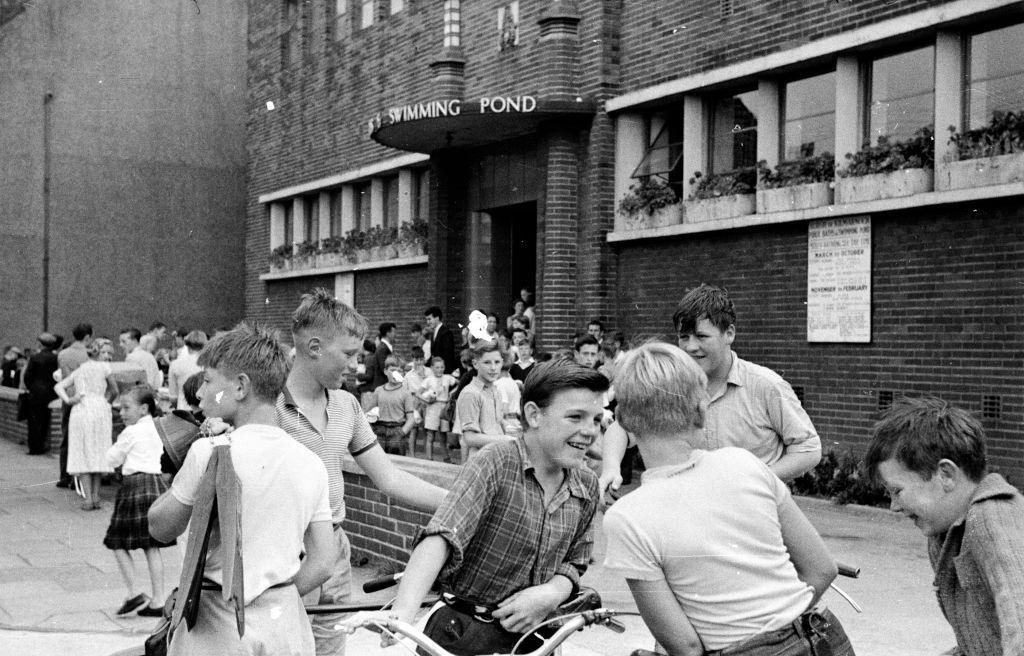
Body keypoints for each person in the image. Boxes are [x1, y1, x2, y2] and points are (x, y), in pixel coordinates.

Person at [603, 342, 852, 656]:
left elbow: (686, 647)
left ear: (623, 419)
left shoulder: (627, 519)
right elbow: (823, 569)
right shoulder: (745, 464)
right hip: (821, 637)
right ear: (700, 410)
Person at [369, 360, 609, 655]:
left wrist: (551, 593)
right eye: (575, 417)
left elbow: (575, 561)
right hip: (463, 631)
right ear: (534, 415)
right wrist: (403, 613)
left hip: (535, 637)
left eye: (596, 420)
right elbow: (442, 536)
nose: (589, 431)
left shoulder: (586, 483)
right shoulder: (496, 462)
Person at [277, 289, 447, 656]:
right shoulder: (266, 406)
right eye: (349, 355)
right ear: (314, 347)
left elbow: (390, 478)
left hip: (334, 552)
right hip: (282, 554)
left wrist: (457, 503)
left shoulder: (346, 405)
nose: (356, 366)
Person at [149, 323, 335, 655]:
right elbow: (322, 561)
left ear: (240, 387)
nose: (201, 393)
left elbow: (160, 527)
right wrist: (272, 597)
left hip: (214, 628)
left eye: (207, 382)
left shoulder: (209, 452)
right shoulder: (310, 462)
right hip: (284, 625)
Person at [600, 284, 820, 494]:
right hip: (693, 516)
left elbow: (808, 448)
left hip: (755, 517)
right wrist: (610, 468)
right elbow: (622, 428)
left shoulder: (766, 386)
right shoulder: (668, 385)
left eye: (701, 336)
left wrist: (759, 481)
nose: (690, 347)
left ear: (729, 334)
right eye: (683, 337)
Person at [864, 396, 1024, 656]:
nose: (894, 506)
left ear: (946, 474)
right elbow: (983, 640)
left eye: (897, 491)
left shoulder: (993, 515)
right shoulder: (946, 531)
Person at [103, 385, 176, 618]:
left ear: (144, 408)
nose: (121, 413)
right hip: (155, 486)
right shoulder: (158, 427)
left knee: (116, 541)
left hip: (134, 486)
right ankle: (157, 600)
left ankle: (134, 591)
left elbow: (111, 459)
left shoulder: (130, 433)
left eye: (126, 408)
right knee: (151, 545)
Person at [54, 337, 117, 509]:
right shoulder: (105, 368)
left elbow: (58, 386)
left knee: (82, 451)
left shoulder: (80, 369)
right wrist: (107, 402)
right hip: (100, 409)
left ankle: (88, 498)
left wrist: (69, 399)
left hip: (81, 409)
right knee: (98, 451)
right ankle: (96, 497)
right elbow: (115, 390)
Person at [455, 339, 510, 463]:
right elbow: (469, 438)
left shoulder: (496, 391)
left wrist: (508, 426)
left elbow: (495, 422)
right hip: (481, 461)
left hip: (499, 458)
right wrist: (506, 440)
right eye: (487, 362)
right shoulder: (470, 393)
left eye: (497, 362)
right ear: (475, 364)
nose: (493, 368)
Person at [56, 323, 93, 486]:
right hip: (86, 399)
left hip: (68, 399)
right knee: (84, 439)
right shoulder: (89, 355)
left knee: (66, 437)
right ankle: (79, 478)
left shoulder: (63, 354)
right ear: (87, 337)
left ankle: (65, 476)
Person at [365, 355, 416, 456]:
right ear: (385, 371)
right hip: (379, 430)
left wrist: (401, 433)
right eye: (392, 370)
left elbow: (411, 419)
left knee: (396, 463)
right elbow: (367, 413)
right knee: (377, 461)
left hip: (397, 430)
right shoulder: (378, 391)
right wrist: (371, 430)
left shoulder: (405, 393)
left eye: (400, 371)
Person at [22, 332, 61, 455]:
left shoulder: (35, 358)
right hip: (51, 393)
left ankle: (35, 447)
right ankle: (44, 444)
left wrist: (32, 388)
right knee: (45, 421)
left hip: (36, 394)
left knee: (34, 422)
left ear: (41, 344)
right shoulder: (56, 358)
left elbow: (28, 377)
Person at [421, 356, 456, 462]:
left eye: (441, 367)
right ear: (432, 368)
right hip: (433, 407)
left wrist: (452, 394)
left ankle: (446, 458)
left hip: (444, 407)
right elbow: (419, 393)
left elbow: (460, 383)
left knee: (443, 435)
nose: (439, 369)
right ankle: (429, 458)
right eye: (437, 367)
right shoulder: (428, 380)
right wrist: (426, 400)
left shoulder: (447, 378)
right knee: (430, 434)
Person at [167, 330, 207, 410]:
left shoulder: (175, 364)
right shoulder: (210, 364)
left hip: (183, 410)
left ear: (187, 345)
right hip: (204, 411)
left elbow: (173, 397)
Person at [357, 322, 395, 403]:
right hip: (382, 385)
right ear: (388, 333)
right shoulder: (382, 348)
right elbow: (384, 368)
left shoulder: (384, 347)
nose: (395, 334)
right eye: (393, 332)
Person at [423, 305, 458, 374]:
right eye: (426, 319)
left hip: (444, 372)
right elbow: (434, 354)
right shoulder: (434, 333)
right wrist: (424, 364)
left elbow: (448, 357)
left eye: (429, 319)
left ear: (437, 318)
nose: (428, 322)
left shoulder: (446, 333)